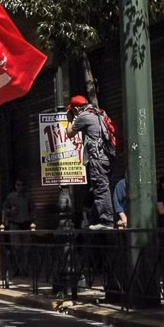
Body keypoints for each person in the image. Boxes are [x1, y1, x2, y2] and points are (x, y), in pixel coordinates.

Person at [65, 95, 115, 229]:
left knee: (100, 189)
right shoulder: (98, 112)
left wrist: (70, 120)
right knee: (100, 188)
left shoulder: (84, 116)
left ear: (76, 108)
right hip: (107, 157)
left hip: (97, 158)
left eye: (73, 111)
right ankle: (96, 219)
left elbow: (69, 133)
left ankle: (107, 221)